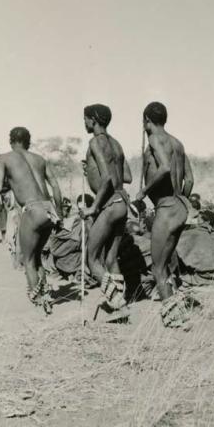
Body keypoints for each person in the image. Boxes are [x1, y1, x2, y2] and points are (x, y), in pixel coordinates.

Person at [136, 101, 195, 328]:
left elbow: (164, 169)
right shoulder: (177, 143)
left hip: (166, 208)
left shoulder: (153, 139)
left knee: (157, 267)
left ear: (147, 120)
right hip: (180, 206)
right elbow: (189, 179)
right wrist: (182, 200)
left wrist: (143, 191)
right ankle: (176, 308)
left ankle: (175, 319)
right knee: (166, 264)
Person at [0, 126, 63, 313]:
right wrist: (61, 215)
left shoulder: (4, 158)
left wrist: (13, 182)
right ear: (29, 141)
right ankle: (46, 295)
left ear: (10, 141)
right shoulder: (40, 159)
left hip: (31, 209)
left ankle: (39, 302)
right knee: (38, 257)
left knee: (28, 260)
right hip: (49, 210)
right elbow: (56, 187)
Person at [79, 104, 132, 318]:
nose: (84, 123)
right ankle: (120, 305)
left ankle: (118, 303)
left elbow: (108, 178)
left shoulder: (95, 142)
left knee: (91, 260)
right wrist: (91, 170)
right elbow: (126, 176)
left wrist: (92, 208)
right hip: (122, 202)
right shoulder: (116, 144)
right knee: (111, 259)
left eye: (85, 119)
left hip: (109, 204)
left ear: (93, 119)